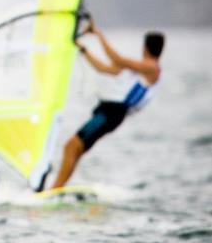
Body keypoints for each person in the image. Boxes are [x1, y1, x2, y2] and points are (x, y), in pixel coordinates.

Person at [50, 23, 164, 189]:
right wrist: (83, 49)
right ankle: (56, 189)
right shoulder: (139, 70)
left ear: (145, 48)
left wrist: (98, 33)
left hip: (112, 113)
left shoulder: (151, 68)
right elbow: (103, 68)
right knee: (76, 149)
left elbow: (117, 59)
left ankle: (53, 189)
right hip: (107, 111)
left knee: (70, 147)